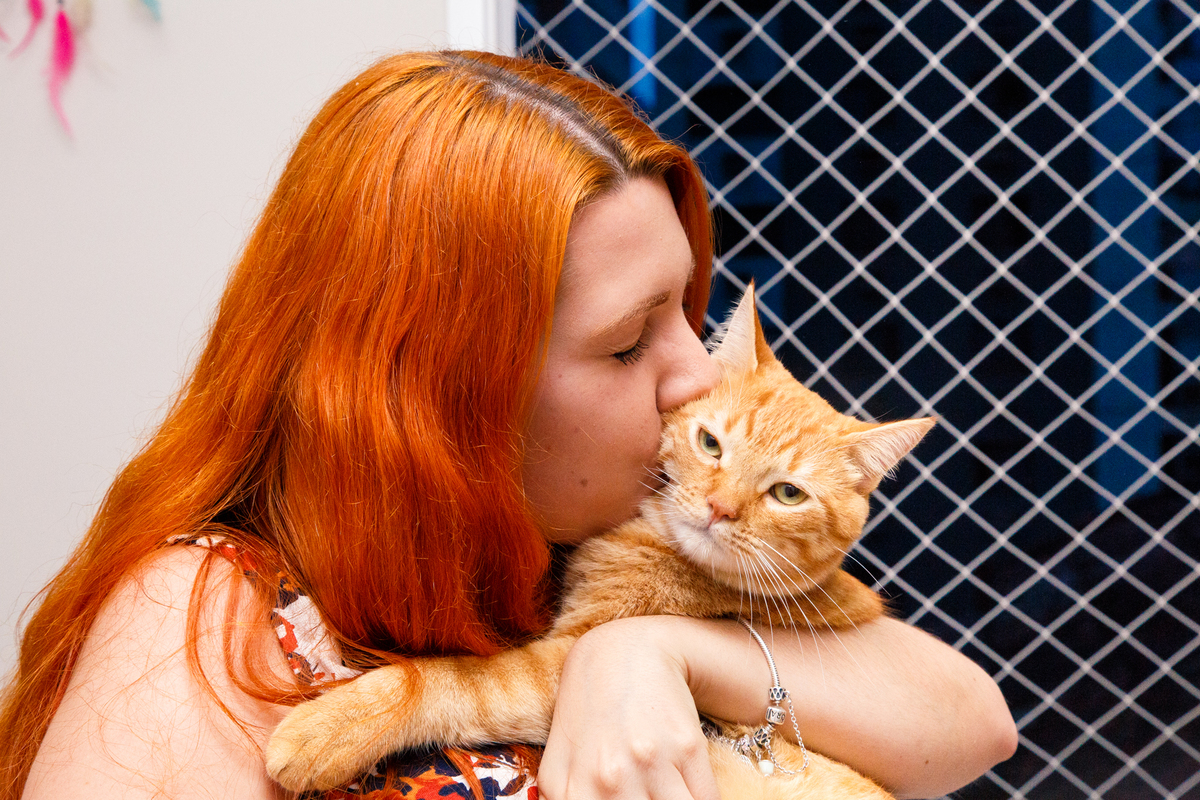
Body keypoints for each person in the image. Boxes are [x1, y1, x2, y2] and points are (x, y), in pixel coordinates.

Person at [1, 51, 1016, 800]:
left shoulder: (591, 547)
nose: (697, 374)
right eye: (628, 344)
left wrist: (648, 652)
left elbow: (970, 716)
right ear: (447, 388)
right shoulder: (204, 616)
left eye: (691, 313)